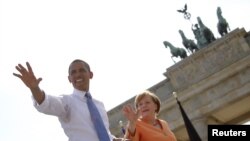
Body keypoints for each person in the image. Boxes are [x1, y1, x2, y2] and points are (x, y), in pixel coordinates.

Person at [13, 59, 124, 141]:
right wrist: (34, 88)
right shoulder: (67, 102)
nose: (77, 74)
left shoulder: (99, 105)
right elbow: (46, 103)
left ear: (90, 74)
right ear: (69, 79)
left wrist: (116, 139)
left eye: (81, 70)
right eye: (73, 72)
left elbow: (103, 133)